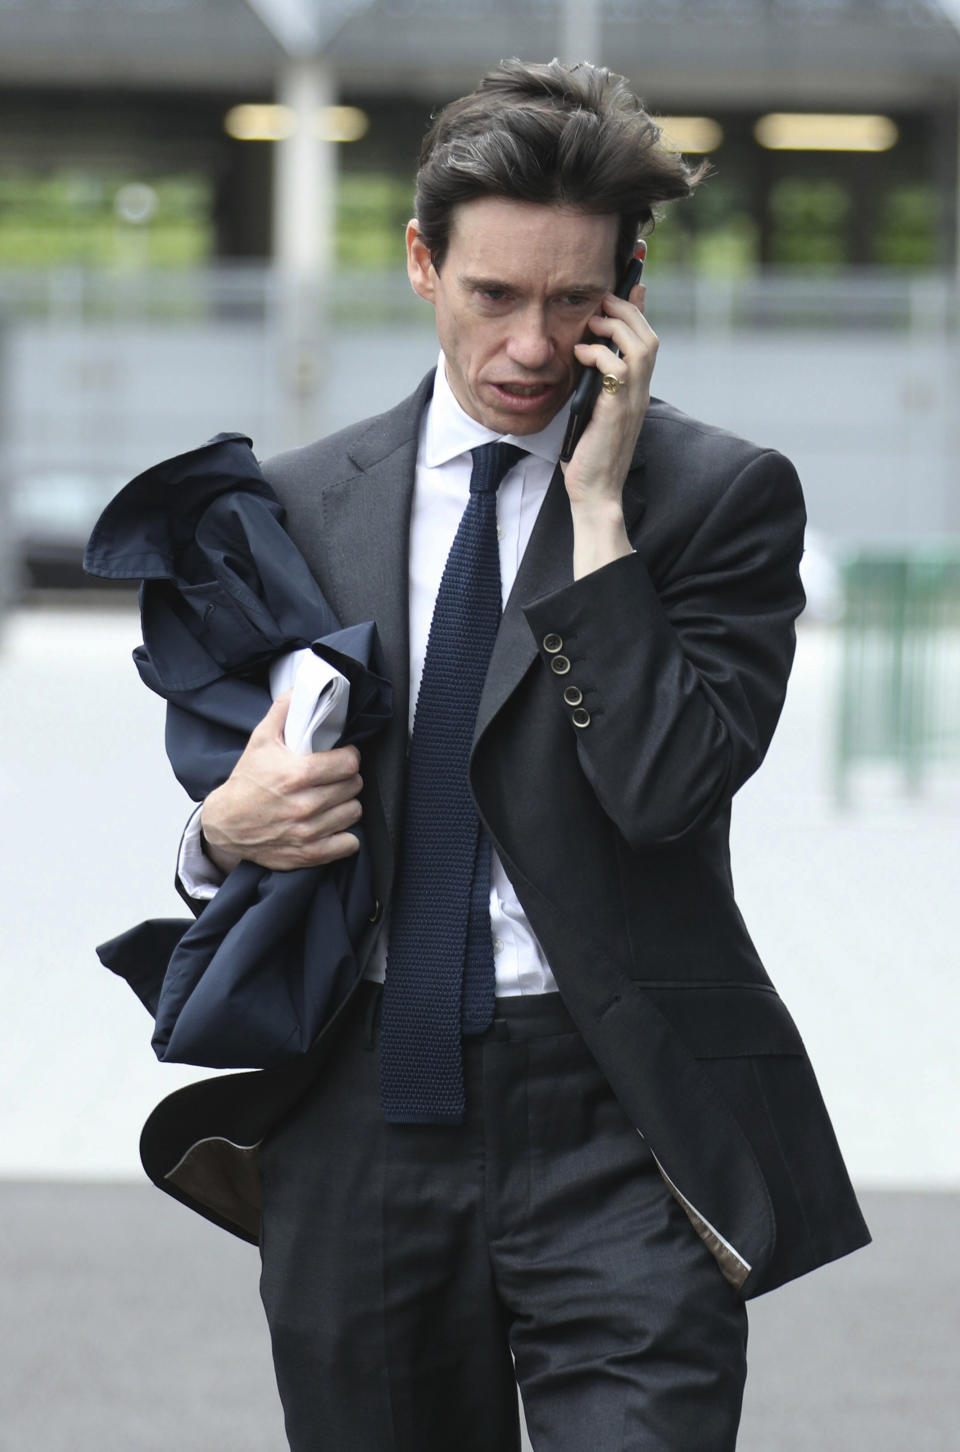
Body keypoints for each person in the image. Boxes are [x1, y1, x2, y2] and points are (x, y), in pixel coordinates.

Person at [167, 58, 869, 1451]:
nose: (532, 348)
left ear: (633, 291)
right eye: (494, 296)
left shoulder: (718, 499)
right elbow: (222, 812)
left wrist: (598, 519)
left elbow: (667, 790)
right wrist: (224, 832)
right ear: (423, 264)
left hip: (616, 1116)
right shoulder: (301, 506)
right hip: (363, 1106)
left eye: (574, 302)